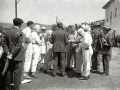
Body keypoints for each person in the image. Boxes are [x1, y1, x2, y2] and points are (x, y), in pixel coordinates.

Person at [2, 18, 24, 90]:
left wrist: (8, 53)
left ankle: (7, 88)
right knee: (17, 74)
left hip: (9, 56)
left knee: (9, 73)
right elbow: (19, 45)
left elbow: (4, 44)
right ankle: (16, 88)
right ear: (20, 24)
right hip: (18, 56)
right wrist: (12, 54)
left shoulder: (7, 32)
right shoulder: (20, 32)